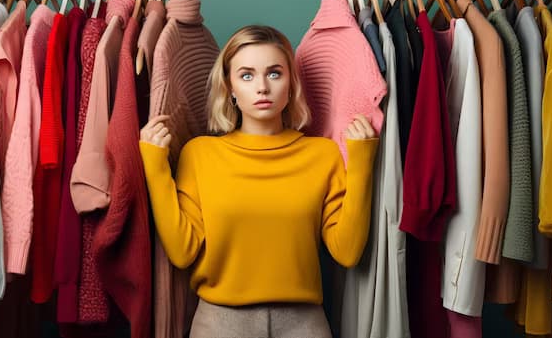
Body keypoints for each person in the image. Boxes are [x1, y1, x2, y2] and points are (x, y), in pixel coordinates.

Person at [139, 25, 379, 338]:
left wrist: (361, 162)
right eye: (247, 75)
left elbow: (347, 253)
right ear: (230, 88)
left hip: (304, 323)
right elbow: (182, 252)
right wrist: (155, 168)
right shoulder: (199, 154)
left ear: (291, 83)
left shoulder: (323, 154)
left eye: (274, 73)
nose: (262, 87)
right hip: (219, 322)